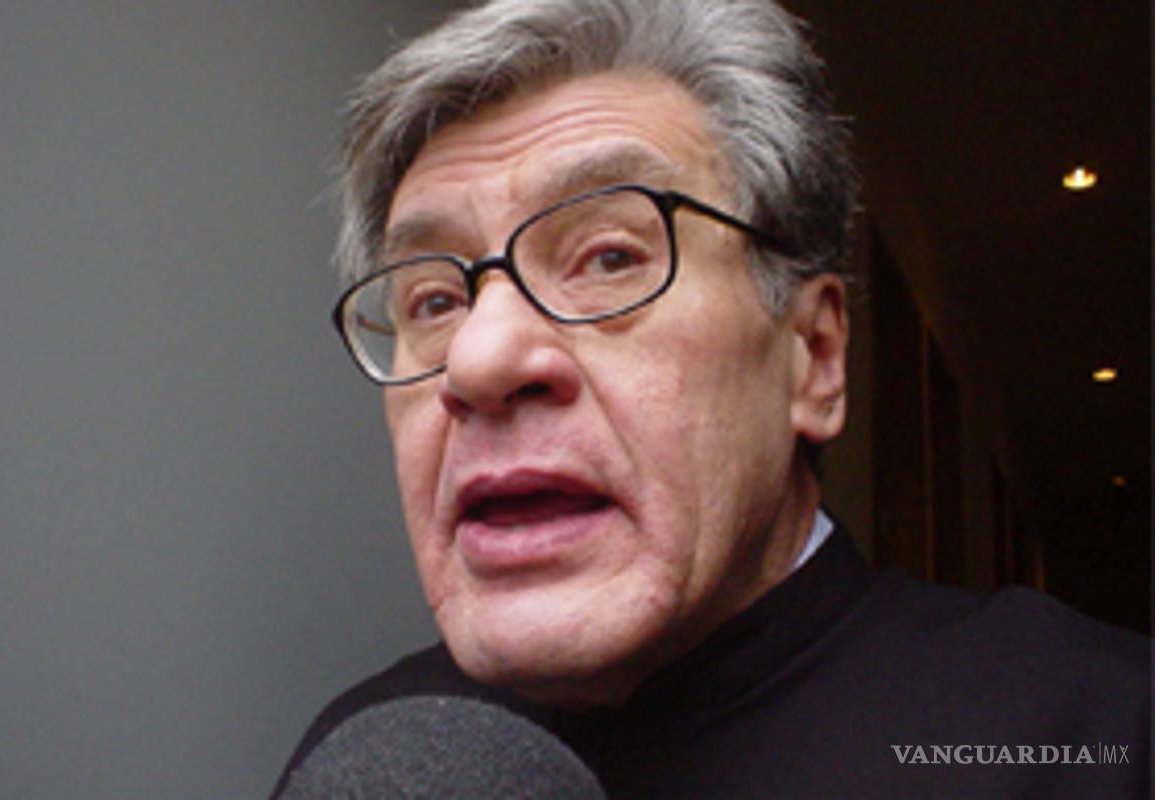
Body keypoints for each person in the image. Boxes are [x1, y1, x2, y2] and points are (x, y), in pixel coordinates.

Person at [274, 0, 1148, 796]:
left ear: (815, 357)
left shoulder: (1095, 730)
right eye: (433, 301)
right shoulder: (357, 766)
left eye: (609, 257)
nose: (478, 358)